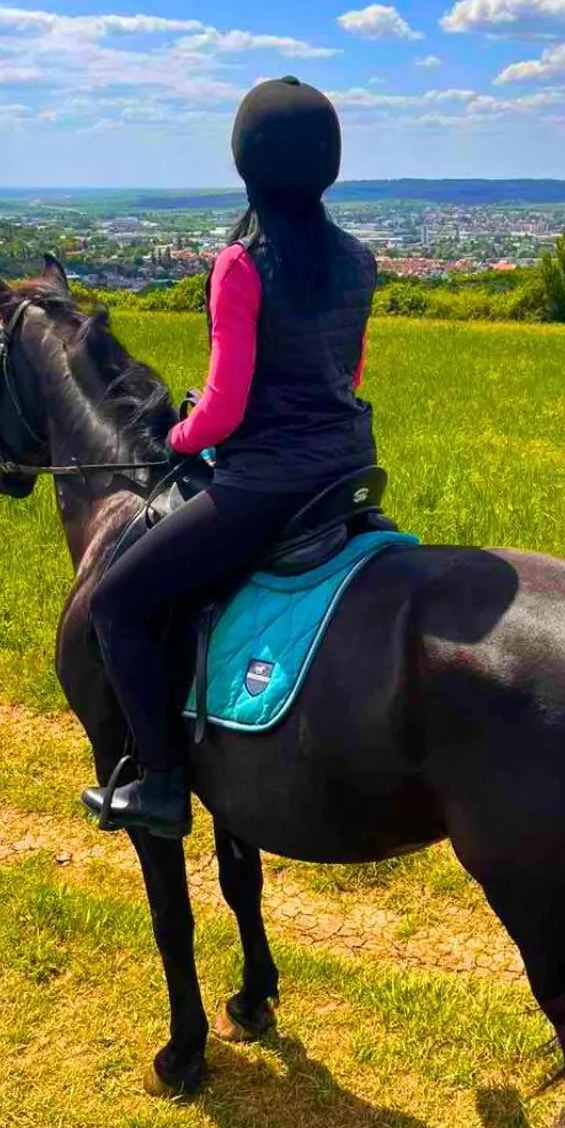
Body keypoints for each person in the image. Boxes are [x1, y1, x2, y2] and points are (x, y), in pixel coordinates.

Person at [82, 77, 376, 836]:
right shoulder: (358, 259)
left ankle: (161, 783)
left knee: (115, 605)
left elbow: (225, 408)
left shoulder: (241, 263)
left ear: (245, 162)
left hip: (265, 486)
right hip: (346, 474)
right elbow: (351, 374)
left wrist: (175, 435)